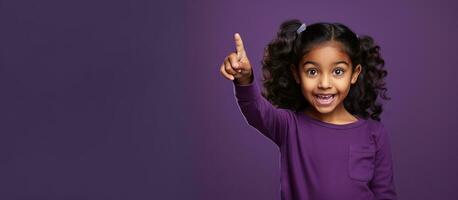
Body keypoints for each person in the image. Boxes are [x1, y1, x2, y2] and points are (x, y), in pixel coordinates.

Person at [219, 19, 398, 200]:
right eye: (312, 71)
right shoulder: (289, 126)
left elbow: (384, 194)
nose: (324, 84)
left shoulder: (374, 133)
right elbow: (256, 110)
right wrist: (244, 78)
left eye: (338, 71)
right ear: (297, 73)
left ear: (354, 74)